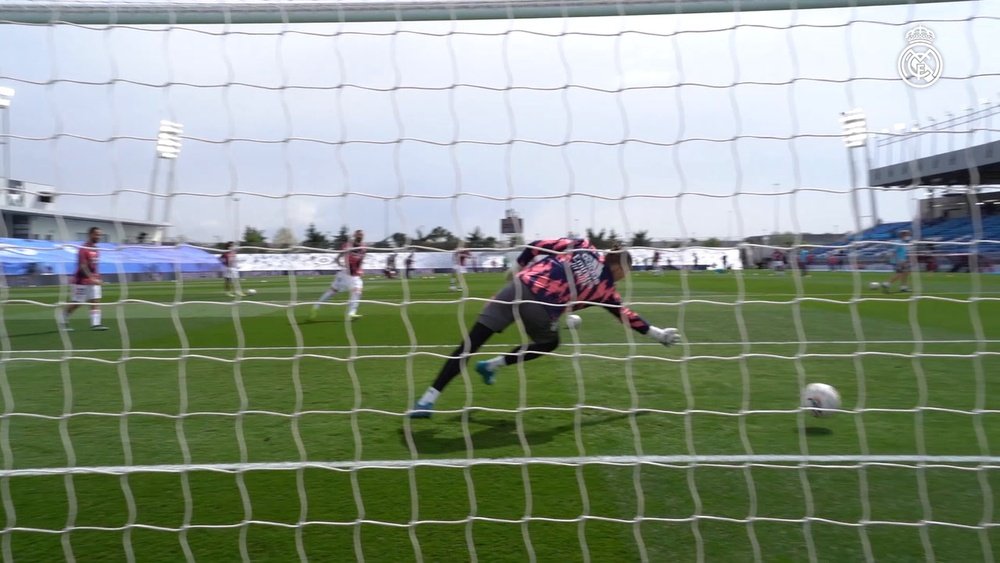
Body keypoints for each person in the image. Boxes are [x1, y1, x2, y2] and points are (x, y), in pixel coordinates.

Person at [409, 237, 682, 418]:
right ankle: (494, 365)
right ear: (621, 269)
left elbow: (538, 244)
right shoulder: (607, 291)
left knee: (471, 342)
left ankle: (427, 400)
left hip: (517, 286)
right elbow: (627, 316)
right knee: (549, 342)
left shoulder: (582, 245)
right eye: (626, 273)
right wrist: (658, 334)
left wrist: (517, 266)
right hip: (540, 308)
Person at [310, 229, 366, 320]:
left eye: (362, 235)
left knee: (357, 291)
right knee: (332, 292)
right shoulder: (348, 245)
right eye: (359, 235)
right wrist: (340, 263)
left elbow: (362, 259)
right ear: (355, 235)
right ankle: (316, 307)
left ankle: (351, 313)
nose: (361, 236)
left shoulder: (363, 247)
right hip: (344, 274)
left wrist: (360, 269)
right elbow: (339, 256)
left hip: (354, 276)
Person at [60, 227, 107, 331]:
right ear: (90, 234)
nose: (98, 237)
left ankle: (95, 324)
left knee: (95, 301)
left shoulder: (97, 250)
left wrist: (97, 277)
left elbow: (94, 266)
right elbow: (83, 266)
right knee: (77, 303)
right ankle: (63, 320)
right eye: (96, 234)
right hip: (81, 281)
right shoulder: (83, 249)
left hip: (93, 281)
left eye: (100, 235)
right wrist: (92, 278)